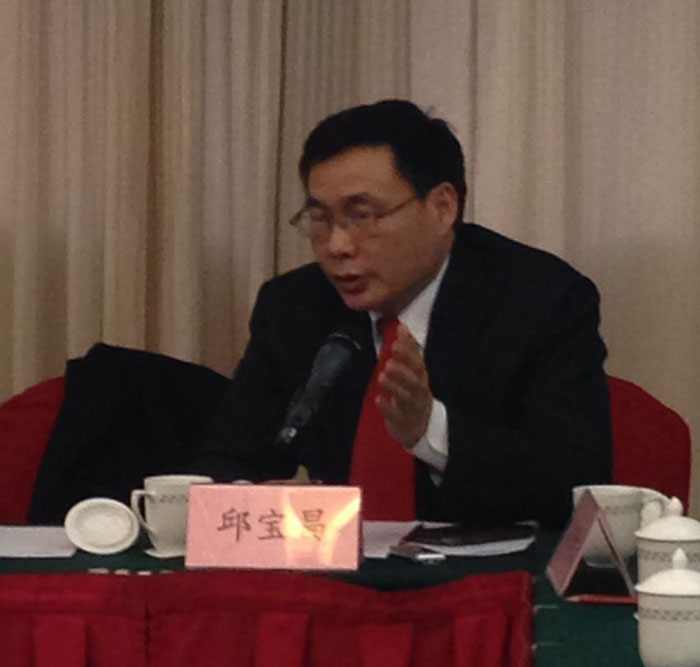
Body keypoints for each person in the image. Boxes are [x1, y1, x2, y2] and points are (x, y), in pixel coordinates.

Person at [196, 99, 612, 528]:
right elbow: (227, 462)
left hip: (483, 564)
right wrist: (257, 499)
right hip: (334, 558)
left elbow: (574, 483)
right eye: (320, 219)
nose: (337, 245)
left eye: (362, 216)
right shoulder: (293, 307)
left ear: (442, 207)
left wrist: (429, 429)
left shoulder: (540, 300)